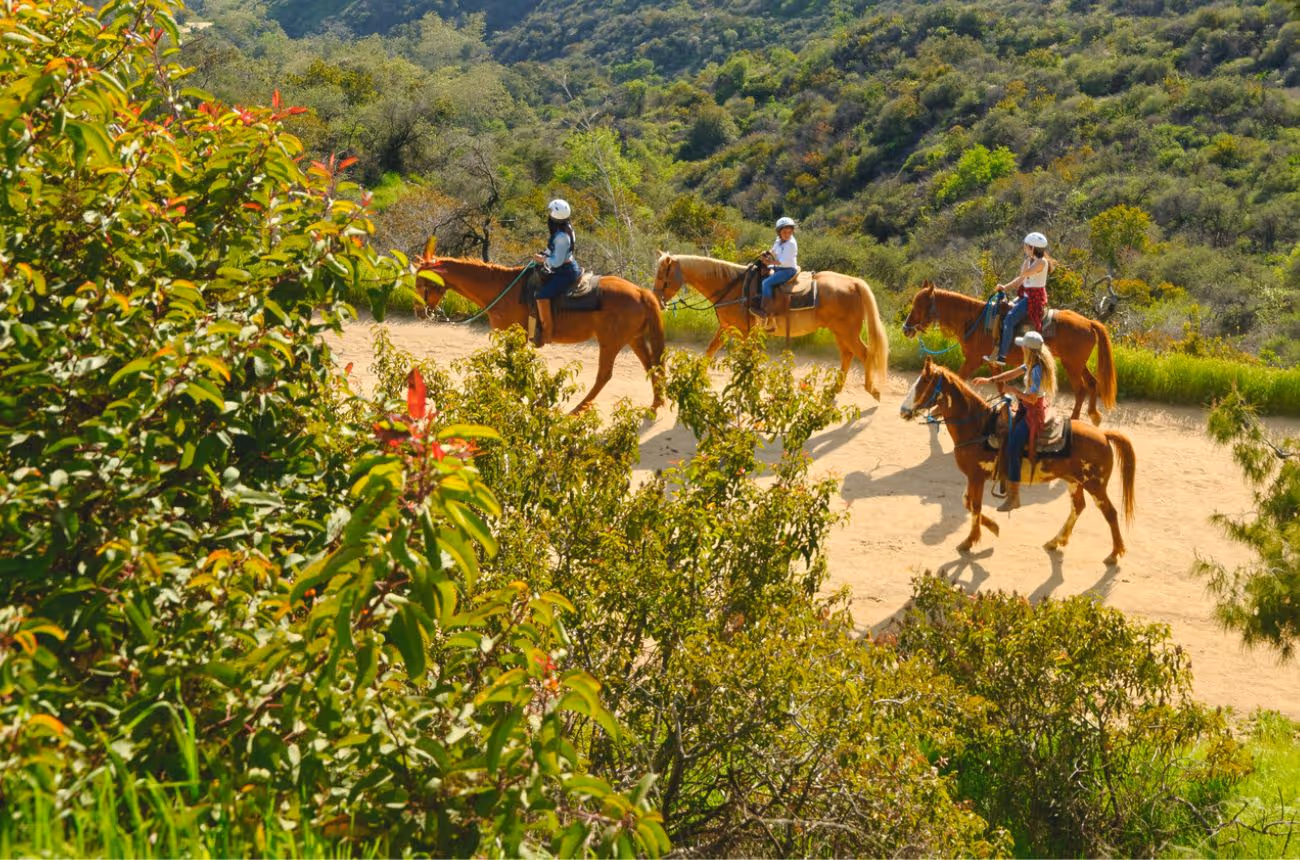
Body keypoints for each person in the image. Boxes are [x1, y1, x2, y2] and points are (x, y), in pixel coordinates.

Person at [972, 330, 1057, 512]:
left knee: (1012, 448)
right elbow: (1012, 374)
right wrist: (990, 379)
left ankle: (1014, 498)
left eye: (1023, 347)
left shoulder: (1037, 370)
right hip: (1026, 407)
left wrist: (1013, 391)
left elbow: (1032, 398)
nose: (1021, 349)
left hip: (1032, 412)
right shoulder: (1031, 364)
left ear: (1029, 349)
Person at [985, 231, 1052, 366]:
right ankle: (998, 348)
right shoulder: (1032, 260)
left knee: (1009, 319)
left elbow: (1025, 273)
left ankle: (1002, 356)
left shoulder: (1041, 262)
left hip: (1033, 298)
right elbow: (1020, 279)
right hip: (1025, 295)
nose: (1024, 248)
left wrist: (1027, 261)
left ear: (1032, 248)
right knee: (1004, 310)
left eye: (1026, 246)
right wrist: (1004, 287)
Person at [531, 198, 579, 346]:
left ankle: (547, 332)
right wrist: (545, 254)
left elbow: (557, 261)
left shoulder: (562, 237)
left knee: (542, 295)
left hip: (565, 271)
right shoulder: (564, 229)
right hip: (564, 267)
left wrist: (543, 260)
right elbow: (554, 250)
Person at [758, 216, 798, 322]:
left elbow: (782, 262)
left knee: (766, 283)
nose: (787, 234)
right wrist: (766, 254)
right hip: (779, 267)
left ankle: (767, 310)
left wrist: (769, 262)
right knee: (759, 272)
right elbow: (774, 251)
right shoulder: (779, 240)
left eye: (790, 232)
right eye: (785, 232)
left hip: (787, 270)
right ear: (779, 232)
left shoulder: (791, 244)